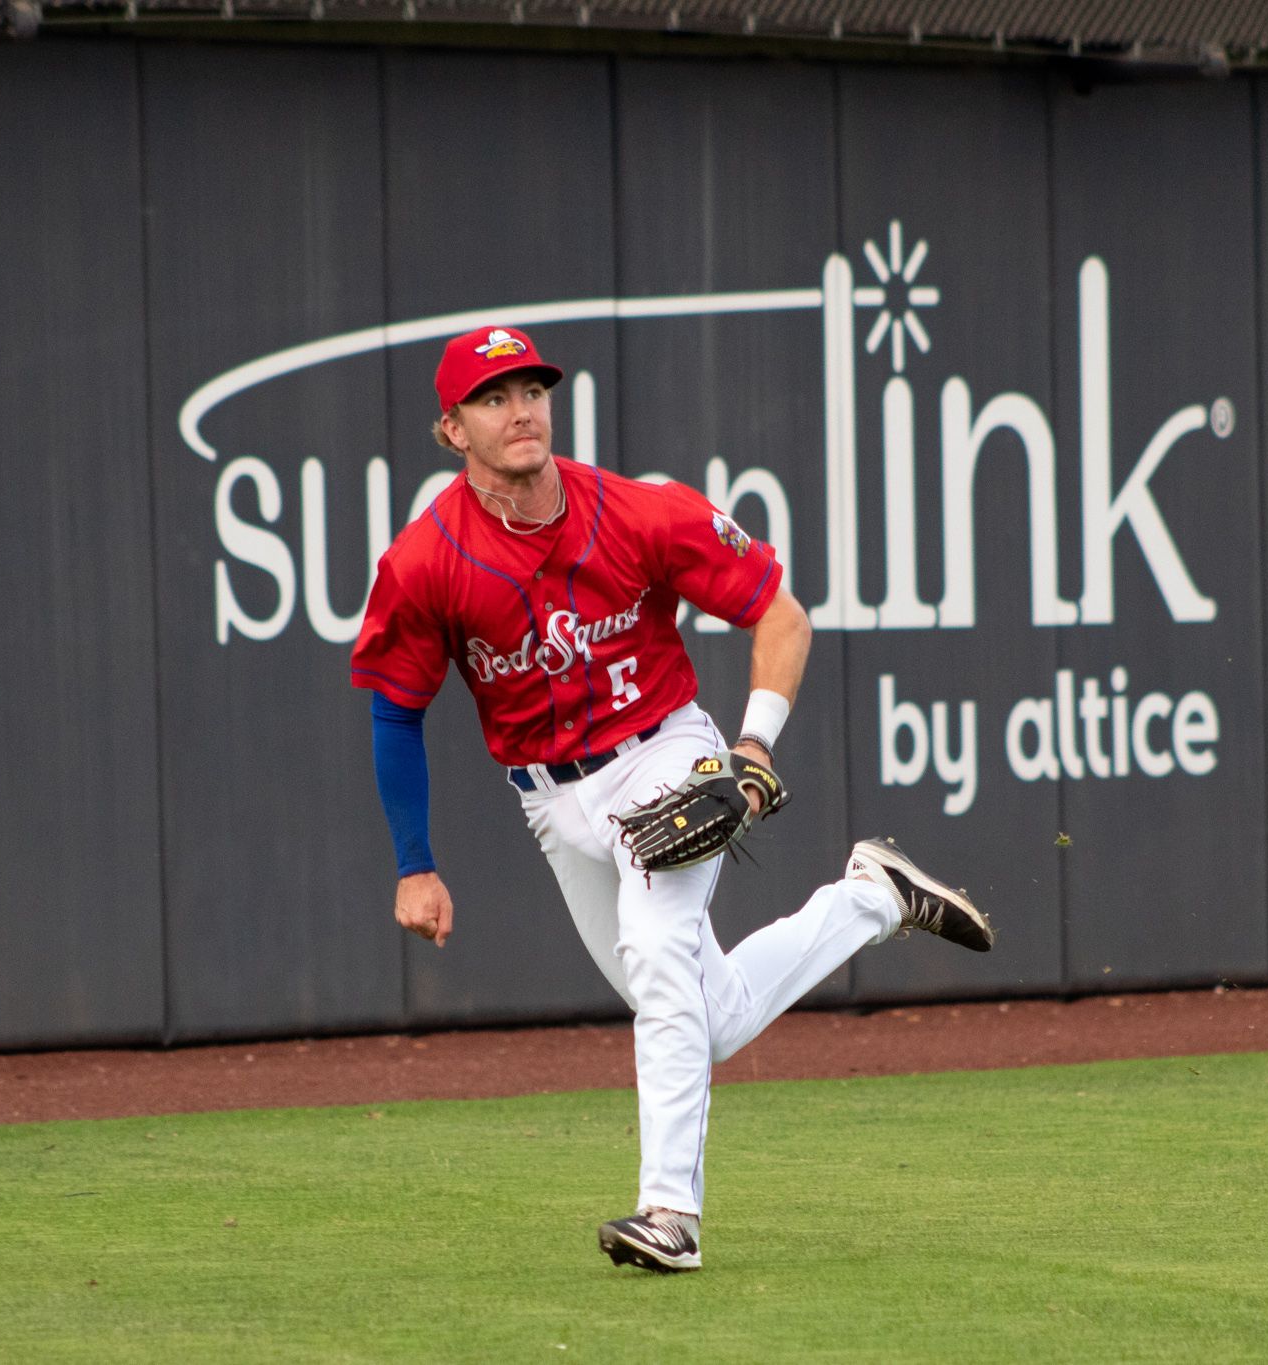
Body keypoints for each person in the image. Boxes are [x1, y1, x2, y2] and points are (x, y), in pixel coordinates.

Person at [350, 324, 993, 1273]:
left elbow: (781, 615)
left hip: (665, 753)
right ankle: (870, 897)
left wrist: (751, 746)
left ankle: (668, 1215)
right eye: (493, 397)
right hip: (550, 801)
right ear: (453, 430)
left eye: (532, 388)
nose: (521, 408)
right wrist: (415, 864)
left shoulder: (637, 512)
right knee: (703, 1014)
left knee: (658, 959)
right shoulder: (425, 561)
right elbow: (394, 716)